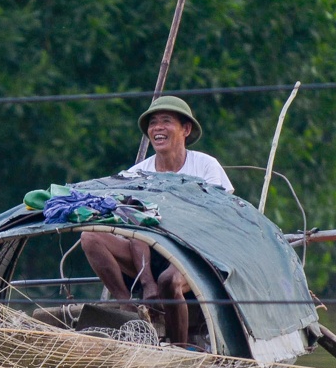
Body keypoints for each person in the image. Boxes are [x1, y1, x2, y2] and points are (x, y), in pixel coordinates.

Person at [78, 96, 231, 346]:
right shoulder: (138, 173)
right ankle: (127, 308)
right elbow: (135, 226)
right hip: (147, 254)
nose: (157, 128)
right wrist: (147, 281)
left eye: (166, 121)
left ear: (186, 129)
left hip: (194, 253)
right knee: (90, 236)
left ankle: (178, 348)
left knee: (168, 281)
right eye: (153, 123)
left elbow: (216, 217)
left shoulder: (205, 166)